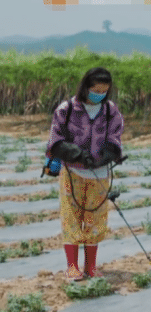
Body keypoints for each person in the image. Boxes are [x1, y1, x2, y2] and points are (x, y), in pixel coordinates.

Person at [46, 67, 124, 281]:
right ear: (85, 87)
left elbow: (115, 138)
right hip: (73, 172)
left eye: (104, 91)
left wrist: (105, 156)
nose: (99, 94)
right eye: (95, 90)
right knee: (71, 217)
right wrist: (77, 154)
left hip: (99, 175)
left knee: (95, 219)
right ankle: (72, 267)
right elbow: (55, 141)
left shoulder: (110, 111)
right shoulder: (67, 109)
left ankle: (91, 267)